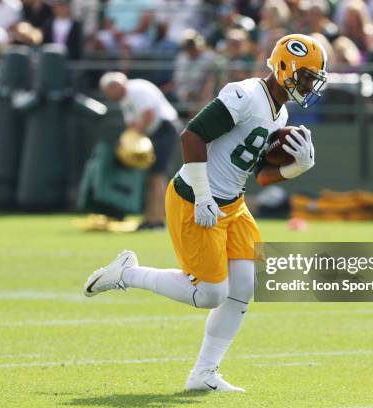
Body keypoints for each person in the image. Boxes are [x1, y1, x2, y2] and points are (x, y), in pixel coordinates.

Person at [85, 34, 326, 392]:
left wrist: (296, 169)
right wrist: (202, 196)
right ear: (284, 66)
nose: (308, 84)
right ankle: (128, 273)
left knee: (244, 285)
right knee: (210, 294)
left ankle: (203, 373)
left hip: (233, 204)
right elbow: (191, 136)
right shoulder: (245, 94)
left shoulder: (282, 111)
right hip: (195, 197)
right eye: (306, 76)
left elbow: (259, 173)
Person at [99, 72, 179, 230]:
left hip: (164, 129)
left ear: (115, 86)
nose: (109, 96)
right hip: (154, 132)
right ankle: (150, 217)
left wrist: (134, 136)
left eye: (108, 92)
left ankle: (158, 219)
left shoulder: (136, 89)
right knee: (151, 176)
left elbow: (148, 115)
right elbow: (131, 124)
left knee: (157, 175)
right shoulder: (125, 97)